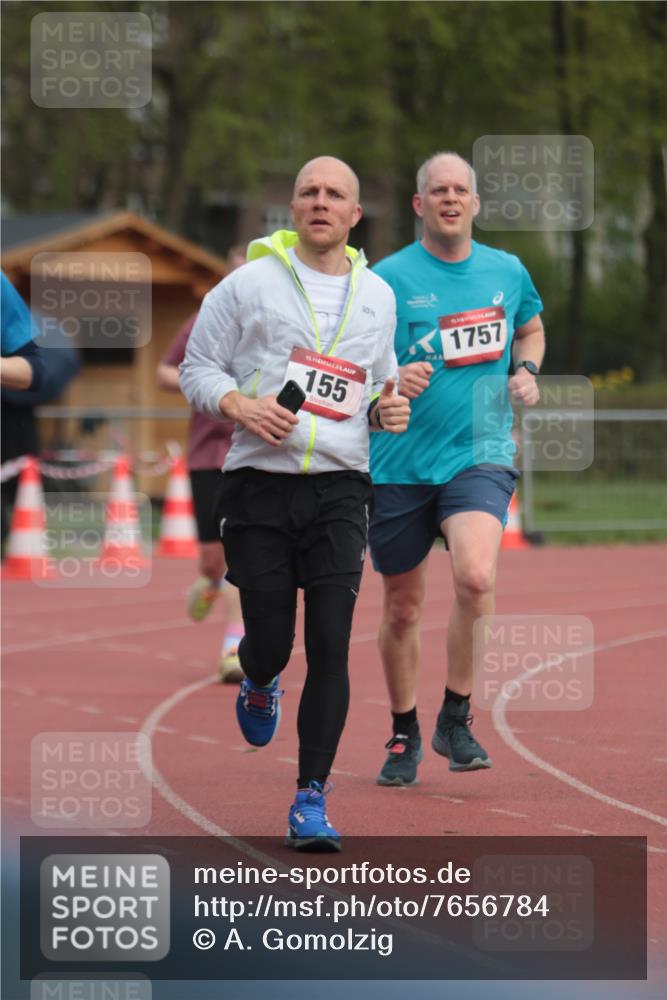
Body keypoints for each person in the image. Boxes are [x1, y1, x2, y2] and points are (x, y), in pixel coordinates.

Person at [180, 156, 410, 850]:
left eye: (334, 193)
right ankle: (258, 676)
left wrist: (385, 410)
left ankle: (311, 797)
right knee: (274, 642)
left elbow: (375, 386)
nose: (319, 202)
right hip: (258, 486)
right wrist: (240, 405)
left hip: (341, 487)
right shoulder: (248, 283)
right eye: (308, 191)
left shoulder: (377, 295)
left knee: (331, 643)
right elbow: (196, 367)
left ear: (353, 214)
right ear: (292, 206)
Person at [369, 151, 545, 787]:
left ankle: (457, 715)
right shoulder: (385, 279)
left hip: (480, 453)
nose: (449, 198)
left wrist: (526, 371)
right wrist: (391, 379)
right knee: (402, 609)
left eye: (460, 190)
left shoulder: (507, 270)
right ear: (419, 205)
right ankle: (403, 729)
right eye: (437, 190)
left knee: (475, 577)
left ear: (474, 203)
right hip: (400, 463)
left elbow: (530, 331)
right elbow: (360, 365)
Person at [157, 245, 248, 683]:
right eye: (234, 276)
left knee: (241, 553)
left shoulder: (280, 322)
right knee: (214, 559)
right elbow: (164, 371)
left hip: (254, 455)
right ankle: (210, 582)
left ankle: (234, 644)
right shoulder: (204, 321)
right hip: (207, 455)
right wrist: (207, 385)